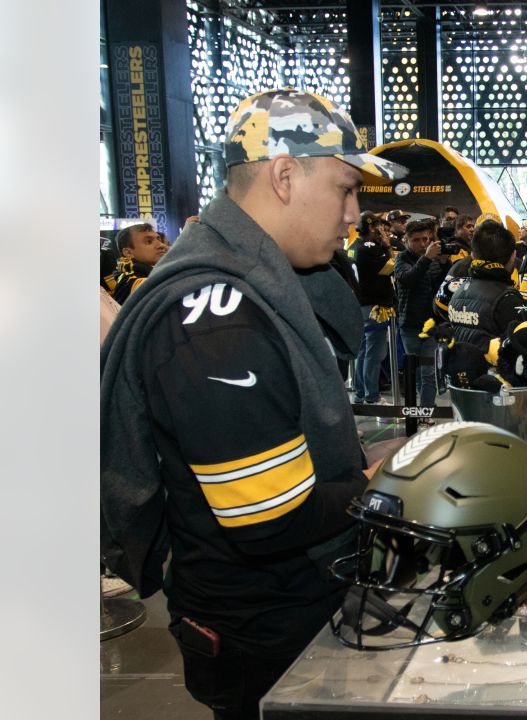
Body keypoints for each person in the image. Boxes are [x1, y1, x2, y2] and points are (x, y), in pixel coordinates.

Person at [101, 87, 408, 720]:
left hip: (288, 598)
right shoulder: (216, 324)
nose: (354, 216)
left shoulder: (262, 284)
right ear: (285, 175)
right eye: (346, 190)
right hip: (262, 626)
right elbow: (270, 513)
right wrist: (384, 482)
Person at [447, 221, 525, 352]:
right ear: (513, 256)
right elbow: (521, 348)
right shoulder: (508, 298)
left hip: (463, 368)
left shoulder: (458, 290)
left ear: (474, 255)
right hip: (494, 370)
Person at [394, 217, 446, 404]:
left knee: (429, 373)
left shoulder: (432, 260)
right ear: (406, 240)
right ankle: (419, 413)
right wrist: (426, 258)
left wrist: (445, 263)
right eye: (416, 240)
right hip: (409, 326)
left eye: (425, 239)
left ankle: (426, 414)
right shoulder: (401, 258)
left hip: (431, 325)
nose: (422, 244)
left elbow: (440, 288)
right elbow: (408, 279)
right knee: (414, 373)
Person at [353, 212, 396, 403]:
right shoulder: (370, 248)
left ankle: (361, 392)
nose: (382, 229)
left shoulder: (357, 246)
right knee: (375, 352)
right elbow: (391, 267)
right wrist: (388, 247)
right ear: (371, 227)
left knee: (364, 350)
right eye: (378, 225)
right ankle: (372, 395)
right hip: (375, 307)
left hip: (363, 305)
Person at [111, 222, 167, 304]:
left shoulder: (129, 275)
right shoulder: (133, 283)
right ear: (128, 252)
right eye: (149, 241)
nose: (161, 245)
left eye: (159, 239)